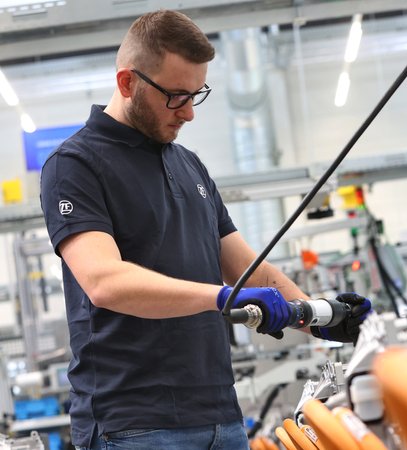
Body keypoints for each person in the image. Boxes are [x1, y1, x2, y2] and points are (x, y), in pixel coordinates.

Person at [39, 9, 371, 450]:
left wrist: (319, 317)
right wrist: (222, 298)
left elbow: (244, 268)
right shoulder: (75, 165)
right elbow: (104, 282)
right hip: (134, 424)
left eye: (197, 95)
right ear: (127, 83)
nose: (190, 113)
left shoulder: (188, 163)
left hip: (221, 416)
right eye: (177, 96)